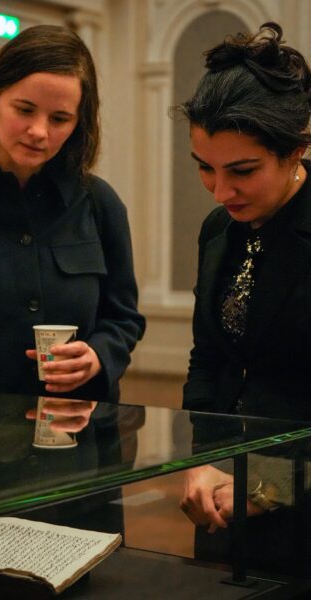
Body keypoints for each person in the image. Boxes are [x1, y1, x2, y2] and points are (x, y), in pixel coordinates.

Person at [0, 25, 145, 401]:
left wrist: (98, 356)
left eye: (59, 118)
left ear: (78, 123)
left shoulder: (100, 204)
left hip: (71, 430)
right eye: (25, 110)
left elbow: (123, 318)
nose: (39, 131)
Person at [177, 22, 311, 571]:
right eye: (205, 168)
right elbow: (207, 359)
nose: (219, 191)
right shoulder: (218, 229)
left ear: (297, 149)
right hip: (223, 501)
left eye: (242, 171)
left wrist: (274, 483)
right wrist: (201, 463)